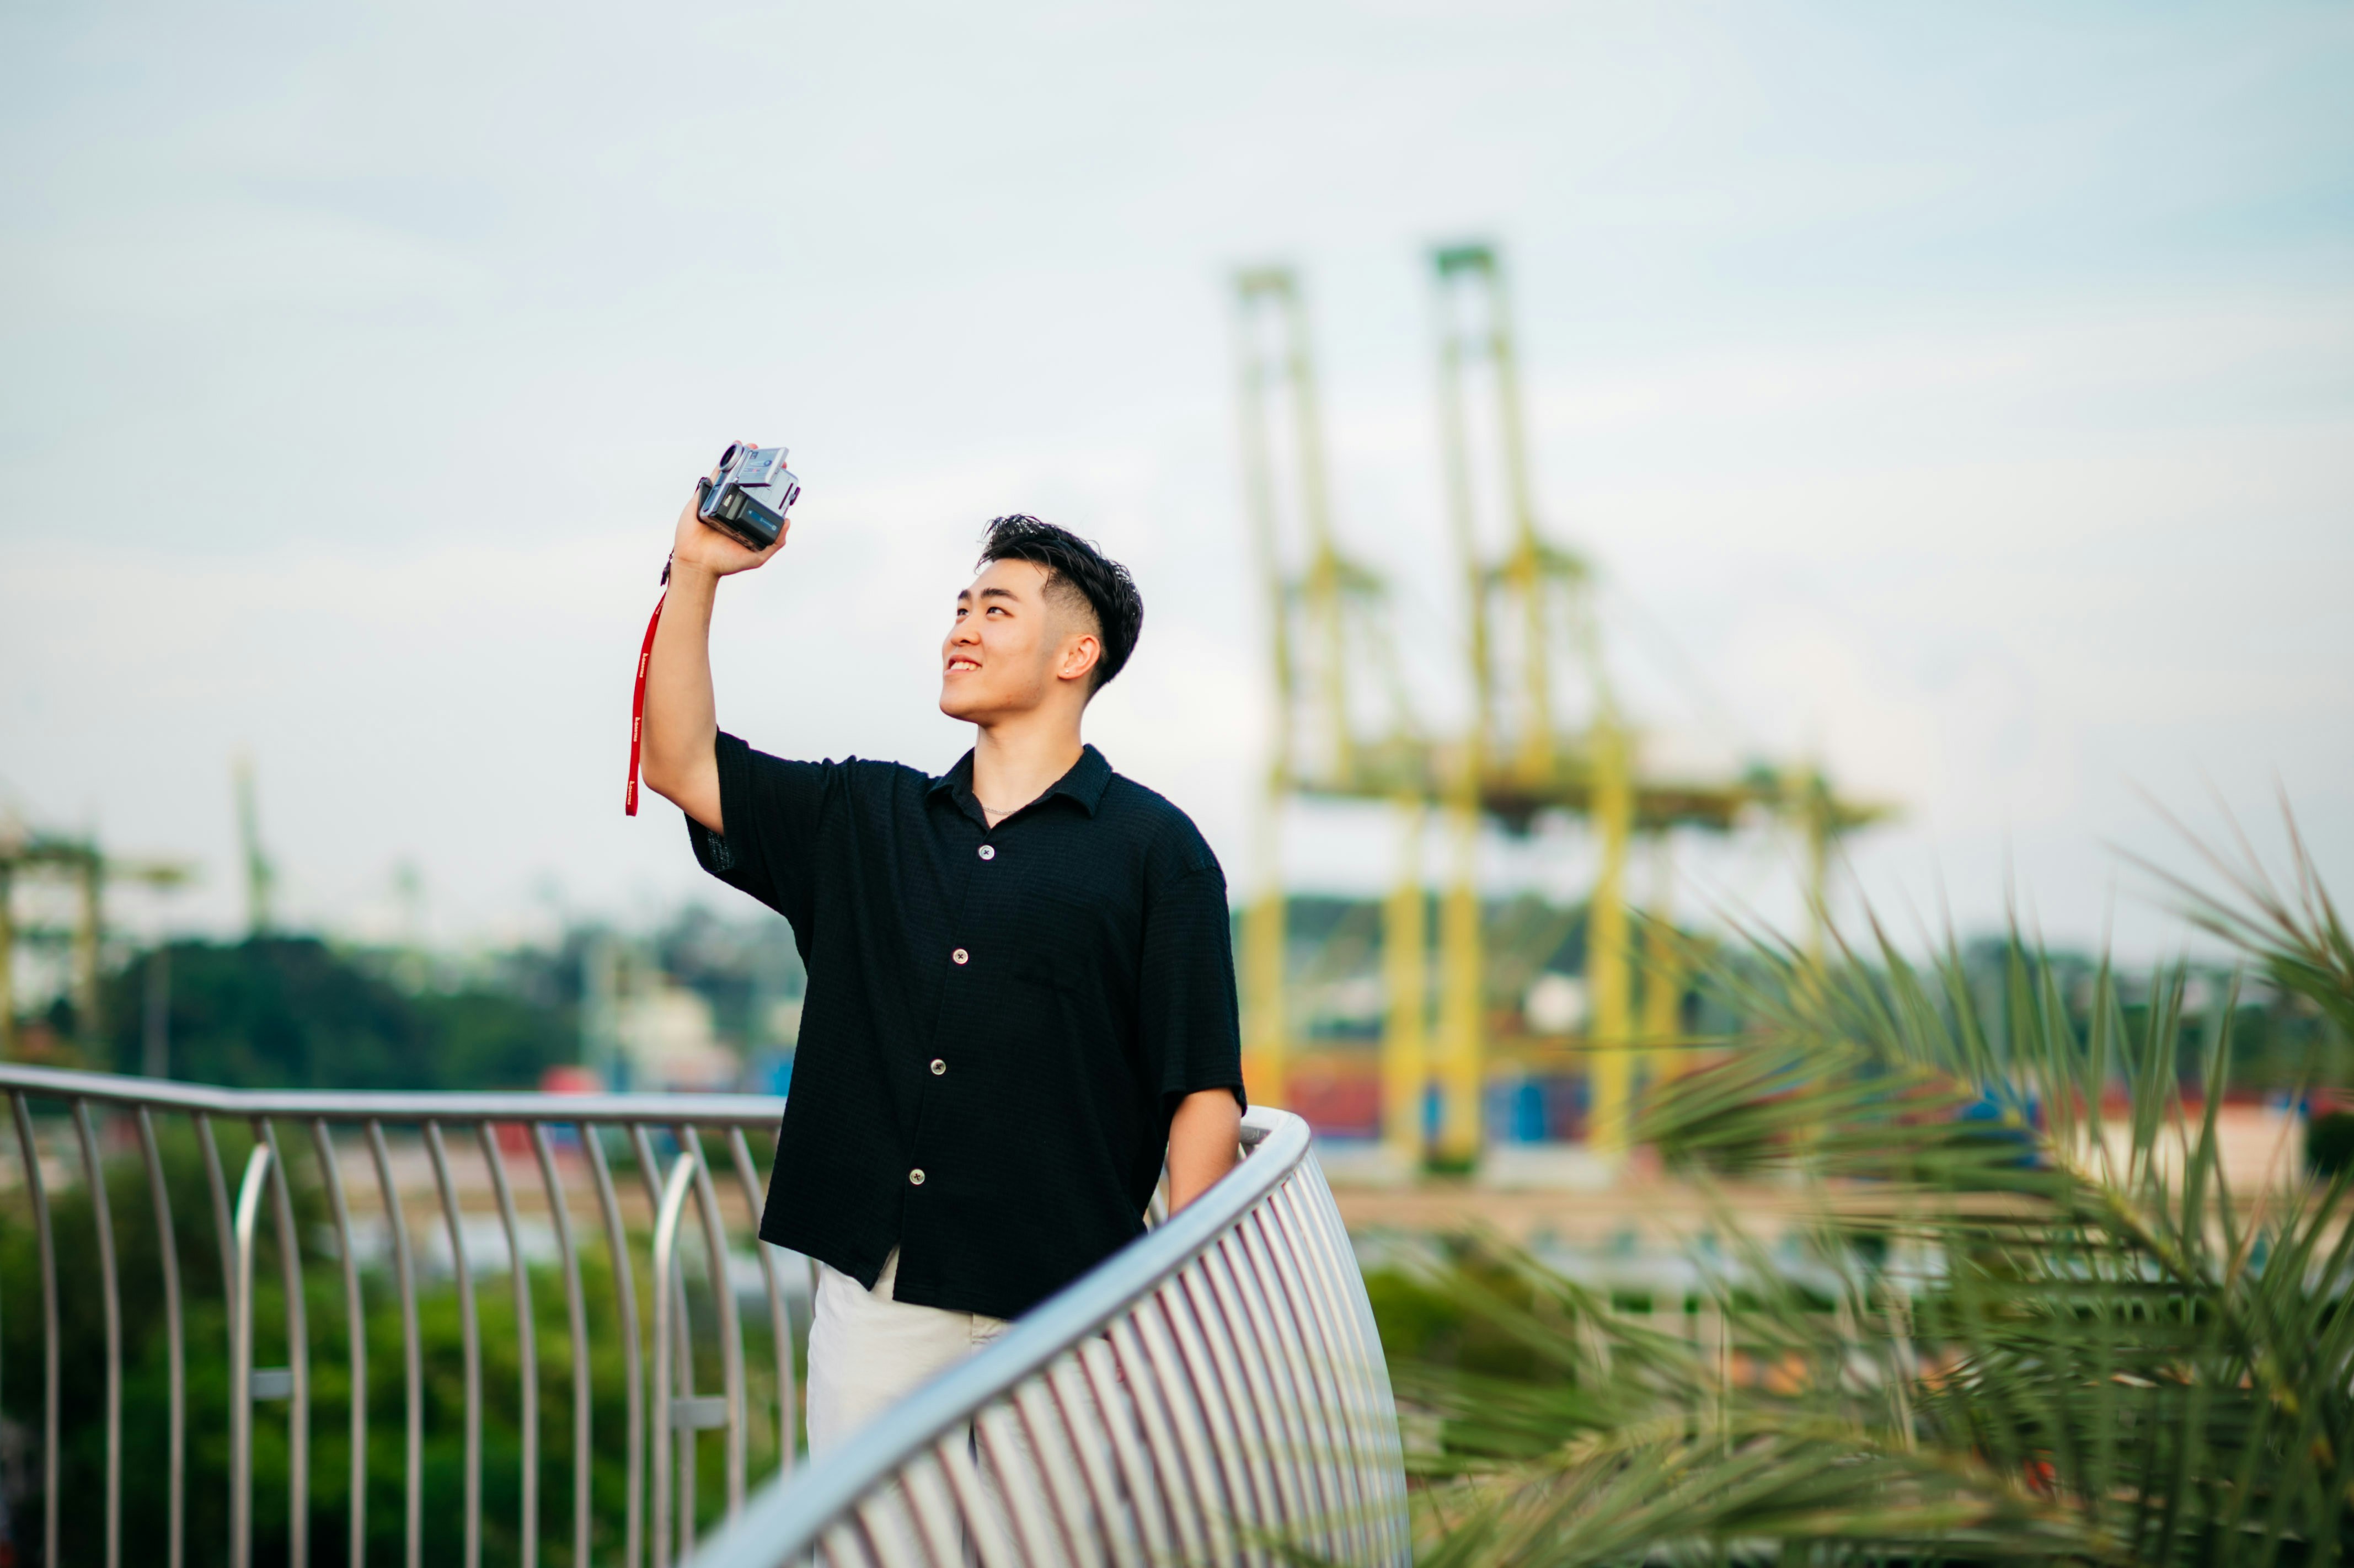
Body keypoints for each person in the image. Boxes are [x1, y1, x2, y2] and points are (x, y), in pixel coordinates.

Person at [637, 470, 1246, 1458]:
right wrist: (698, 571)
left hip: (1073, 1306)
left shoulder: (1158, 852)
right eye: (960, 607)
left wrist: (1183, 1300)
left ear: (1075, 655)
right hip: (882, 1302)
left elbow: (1201, 1091)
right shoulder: (865, 820)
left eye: (994, 610)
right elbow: (681, 763)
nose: (959, 628)